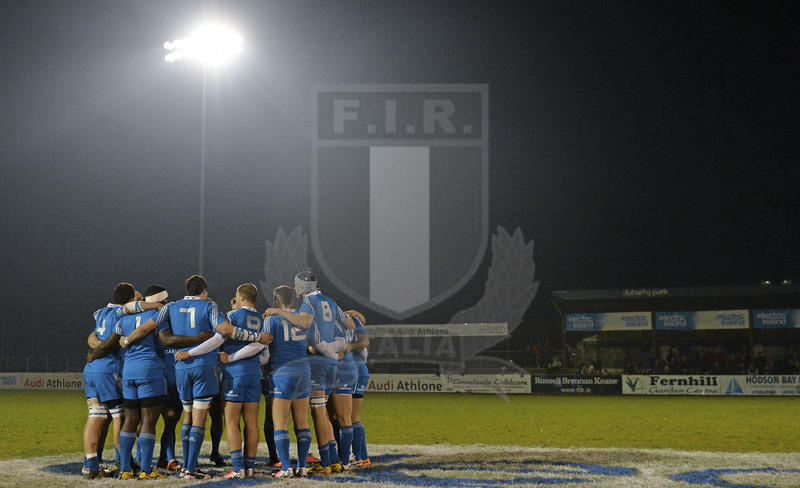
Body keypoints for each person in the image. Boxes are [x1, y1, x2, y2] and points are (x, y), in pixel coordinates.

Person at [157, 275, 272, 480]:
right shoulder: (262, 320)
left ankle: (223, 468)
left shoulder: (230, 315)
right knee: (250, 422)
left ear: (242, 297)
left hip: (200, 369)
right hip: (245, 373)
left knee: (201, 418)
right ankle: (248, 468)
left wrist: (190, 353)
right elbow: (263, 352)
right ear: (204, 290)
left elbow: (217, 338)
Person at [264, 271, 354, 475]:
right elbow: (349, 325)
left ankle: (320, 462)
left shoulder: (306, 306)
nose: (296, 289)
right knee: (322, 413)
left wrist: (277, 312)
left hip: (308, 365)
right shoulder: (330, 302)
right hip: (327, 362)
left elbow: (304, 323)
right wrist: (336, 352)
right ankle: (333, 460)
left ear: (302, 287)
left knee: (314, 414)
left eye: (297, 285)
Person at [81, 283, 135, 479]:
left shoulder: (101, 312)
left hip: (91, 371)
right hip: (109, 370)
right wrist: (99, 352)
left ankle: (90, 465)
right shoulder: (123, 313)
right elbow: (111, 342)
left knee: (95, 418)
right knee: (120, 418)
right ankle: (124, 463)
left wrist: (95, 351)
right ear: (130, 301)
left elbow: (92, 335)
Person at [262, 285, 312, 478]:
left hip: (281, 373)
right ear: (294, 301)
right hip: (303, 372)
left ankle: (285, 467)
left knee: (280, 423)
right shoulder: (304, 319)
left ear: (276, 302)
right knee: (302, 422)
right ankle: (302, 467)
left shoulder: (271, 320)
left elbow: (264, 354)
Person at [346, 310, 371, 468]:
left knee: (350, 416)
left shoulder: (350, 319)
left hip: (354, 370)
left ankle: (359, 457)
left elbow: (364, 341)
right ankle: (361, 457)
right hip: (353, 370)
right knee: (347, 416)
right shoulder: (350, 319)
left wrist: (349, 347)